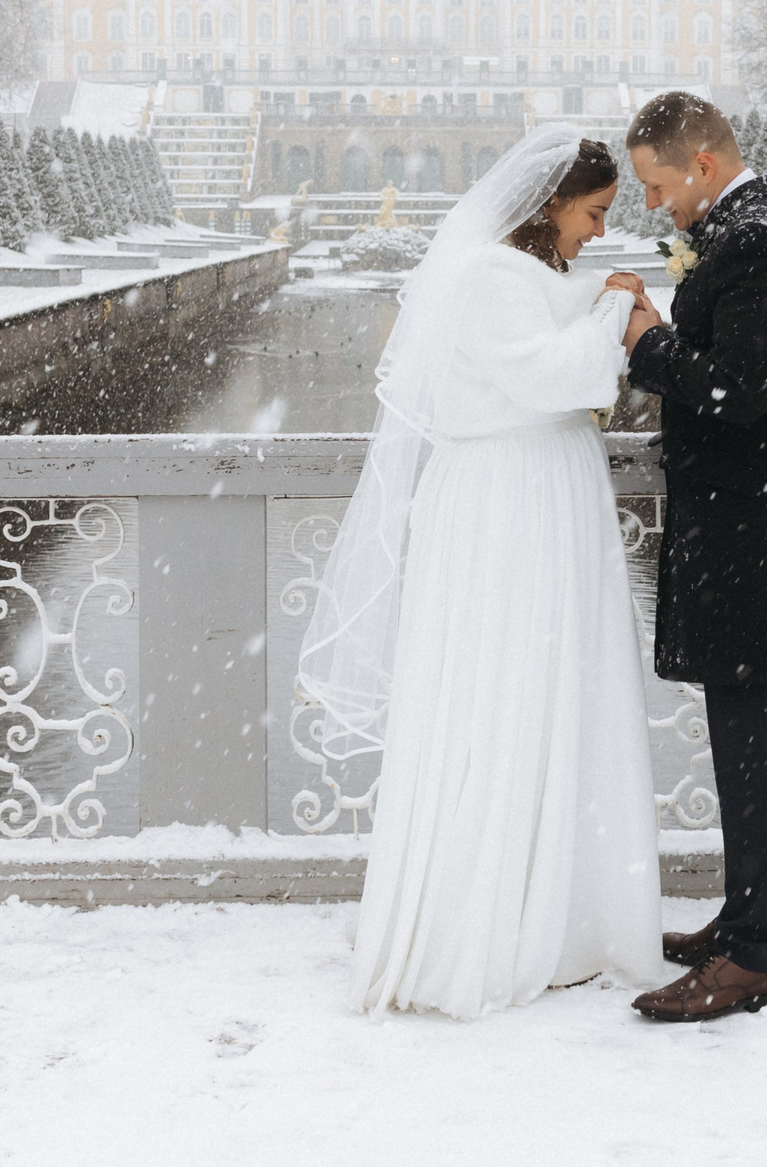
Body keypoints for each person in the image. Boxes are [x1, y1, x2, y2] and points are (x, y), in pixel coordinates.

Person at [299, 125, 669, 1018]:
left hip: (539, 495)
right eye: (592, 214)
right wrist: (616, 315)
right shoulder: (481, 278)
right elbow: (544, 375)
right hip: (512, 503)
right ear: (548, 204)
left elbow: (546, 309)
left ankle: (552, 907)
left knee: (546, 688)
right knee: (505, 688)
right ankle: (490, 919)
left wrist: (597, 294)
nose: (597, 232)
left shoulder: (512, 275)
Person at [618, 90, 767, 1023]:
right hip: (752, 527)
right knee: (761, 740)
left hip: (757, 532)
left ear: (702, 165)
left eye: (657, 185)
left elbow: (737, 392)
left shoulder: (758, 240)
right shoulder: (750, 228)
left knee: (757, 746)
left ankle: (753, 954)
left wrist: (648, 341)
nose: (652, 205)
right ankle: (749, 918)